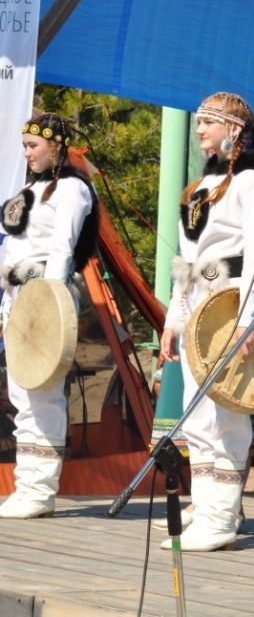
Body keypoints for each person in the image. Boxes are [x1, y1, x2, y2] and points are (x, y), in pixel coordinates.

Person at [158, 92, 254, 552]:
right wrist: (174, 319)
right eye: (197, 122)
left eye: (207, 122)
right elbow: (186, 260)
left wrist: (248, 318)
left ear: (234, 128)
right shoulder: (197, 188)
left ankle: (223, 516)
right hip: (198, 305)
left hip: (230, 301)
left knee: (225, 412)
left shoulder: (252, 180)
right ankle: (206, 511)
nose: (198, 130)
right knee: (196, 414)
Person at [0, 112, 98, 518]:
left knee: (43, 388)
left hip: (48, 289)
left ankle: (41, 490)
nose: (27, 153)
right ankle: (27, 485)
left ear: (55, 146)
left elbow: (62, 247)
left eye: (33, 146)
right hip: (18, 293)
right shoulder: (28, 189)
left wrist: (51, 299)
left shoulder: (72, 189)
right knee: (22, 389)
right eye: (24, 146)